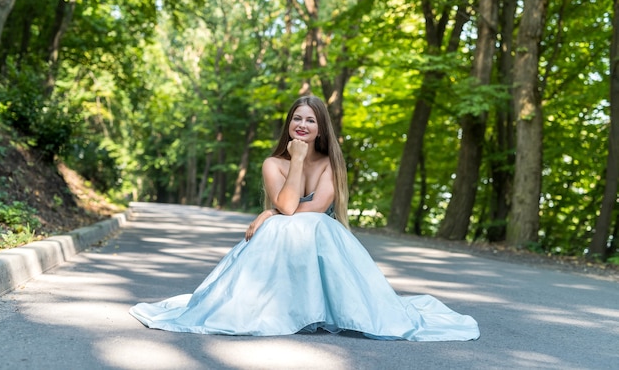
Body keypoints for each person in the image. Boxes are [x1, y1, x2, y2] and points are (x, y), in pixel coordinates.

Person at [129, 95, 480, 341]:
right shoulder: (273, 163)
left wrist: (269, 212)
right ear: (288, 125)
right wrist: (295, 162)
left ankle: (329, 309)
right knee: (287, 225)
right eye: (296, 118)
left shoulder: (330, 162)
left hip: (316, 233)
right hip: (281, 239)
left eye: (310, 120)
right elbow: (287, 203)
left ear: (320, 129)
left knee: (305, 223)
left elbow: (309, 206)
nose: (302, 124)